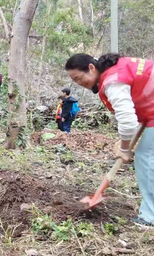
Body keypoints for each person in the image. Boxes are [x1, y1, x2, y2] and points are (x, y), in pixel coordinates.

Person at [65, 53, 154, 228]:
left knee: (146, 158)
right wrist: (125, 142)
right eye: (75, 81)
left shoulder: (113, 80)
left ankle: (150, 216)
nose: (79, 83)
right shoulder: (117, 69)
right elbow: (138, 106)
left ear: (91, 67)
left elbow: (127, 120)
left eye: (79, 78)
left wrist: (125, 147)